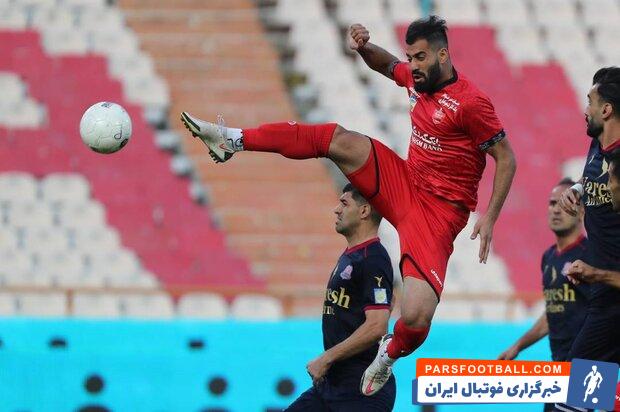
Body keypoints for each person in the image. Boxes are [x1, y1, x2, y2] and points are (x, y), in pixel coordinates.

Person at [181, 15, 516, 395]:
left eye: (420, 58)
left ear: (443, 55)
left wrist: (490, 216)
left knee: (417, 316)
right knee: (337, 138)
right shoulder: (416, 78)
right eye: (411, 57)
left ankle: (387, 356)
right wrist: (364, 48)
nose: (413, 66)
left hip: (438, 214)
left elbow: (506, 157)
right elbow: (388, 65)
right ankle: (232, 140)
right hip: (405, 182)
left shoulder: (471, 103)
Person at [285, 184, 395, 411]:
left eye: (344, 203)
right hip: (333, 383)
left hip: (361, 389)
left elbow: (377, 325)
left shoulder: (373, 258)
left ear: (364, 211)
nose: (336, 209)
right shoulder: (353, 255)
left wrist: (327, 358)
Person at [498, 179, 588, 412]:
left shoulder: (591, 255)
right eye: (552, 203)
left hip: (587, 368)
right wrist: (518, 346)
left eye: (564, 203)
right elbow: (553, 312)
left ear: (581, 212)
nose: (556, 209)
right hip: (557, 367)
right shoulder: (548, 257)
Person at [558, 67, 620, 365]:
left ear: (606, 110)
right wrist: (578, 189)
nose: (585, 110)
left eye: (590, 102)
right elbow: (591, 177)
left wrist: (597, 274)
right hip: (603, 293)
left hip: (611, 296)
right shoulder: (598, 144)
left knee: (580, 380)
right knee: (595, 383)